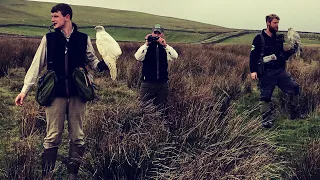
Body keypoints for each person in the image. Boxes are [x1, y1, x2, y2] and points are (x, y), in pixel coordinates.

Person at [14, 3, 112, 179]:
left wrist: (104, 65)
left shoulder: (83, 38)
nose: (52, 20)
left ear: (67, 17)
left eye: (55, 16)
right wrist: (24, 90)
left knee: (78, 138)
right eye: (52, 17)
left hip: (78, 94)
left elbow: (93, 61)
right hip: (55, 94)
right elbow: (37, 64)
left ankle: (72, 176)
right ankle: (47, 176)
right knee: (52, 138)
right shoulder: (49, 39)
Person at [250, 14, 304, 128]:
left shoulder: (278, 38)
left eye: (278, 23)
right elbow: (253, 55)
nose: (277, 26)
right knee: (265, 96)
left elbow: (282, 56)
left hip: (280, 71)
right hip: (266, 72)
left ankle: (295, 115)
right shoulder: (259, 38)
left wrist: (292, 50)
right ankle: (266, 121)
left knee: (295, 88)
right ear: (268, 23)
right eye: (275, 23)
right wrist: (253, 71)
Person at [134, 24, 178, 111]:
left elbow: (174, 56)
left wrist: (165, 45)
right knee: (144, 109)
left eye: (159, 33)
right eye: (155, 33)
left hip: (162, 84)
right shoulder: (146, 47)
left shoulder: (165, 48)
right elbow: (138, 57)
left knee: (161, 110)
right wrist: (146, 44)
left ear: (162, 35)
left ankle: (159, 124)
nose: (157, 35)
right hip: (147, 83)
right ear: (152, 34)